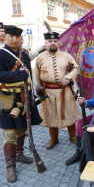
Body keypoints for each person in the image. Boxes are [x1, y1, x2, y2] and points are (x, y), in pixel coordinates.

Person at [0, 25, 42, 183]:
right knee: (9, 133)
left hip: (24, 98)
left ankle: (19, 154)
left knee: (22, 128)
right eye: (11, 36)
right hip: (7, 100)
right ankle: (10, 166)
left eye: (17, 37)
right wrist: (20, 74)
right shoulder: (1, 54)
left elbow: (29, 78)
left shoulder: (24, 55)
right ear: (6, 36)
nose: (14, 39)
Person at [35, 31, 81, 149]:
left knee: (69, 113)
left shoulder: (66, 56)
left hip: (65, 91)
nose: (53, 43)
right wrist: (39, 88)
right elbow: (37, 76)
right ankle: (53, 138)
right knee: (51, 115)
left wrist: (68, 77)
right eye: (50, 41)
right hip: (48, 93)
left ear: (58, 42)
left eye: (55, 41)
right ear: (45, 43)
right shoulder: (40, 58)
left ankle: (73, 135)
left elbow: (76, 68)